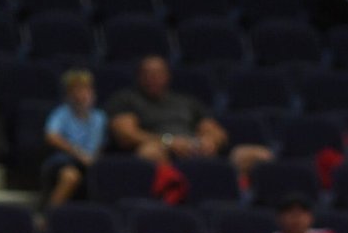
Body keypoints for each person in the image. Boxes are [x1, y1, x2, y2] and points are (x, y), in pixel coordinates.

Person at [105, 55, 274, 176]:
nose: (153, 78)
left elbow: (217, 132)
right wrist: (168, 141)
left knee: (260, 155)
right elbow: (126, 135)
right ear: (139, 76)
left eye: (158, 73)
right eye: (148, 73)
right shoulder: (126, 99)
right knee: (148, 153)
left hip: (194, 149)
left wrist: (209, 141)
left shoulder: (185, 101)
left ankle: (236, 195)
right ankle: (173, 191)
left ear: (167, 76)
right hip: (162, 150)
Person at [40, 69, 106, 208]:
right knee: (70, 176)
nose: (81, 95)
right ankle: (49, 218)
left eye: (85, 89)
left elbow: (97, 147)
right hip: (64, 160)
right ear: (68, 94)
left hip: (91, 163)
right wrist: (76, 152)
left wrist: (90, 159)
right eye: (76, 90)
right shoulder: (61, 113)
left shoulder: (99, 117)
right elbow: (51, 136)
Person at [258, 192, 339, 233]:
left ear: (311, 217)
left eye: (302, 211)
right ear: (279, 218)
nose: (296, 217)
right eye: (289, 211)